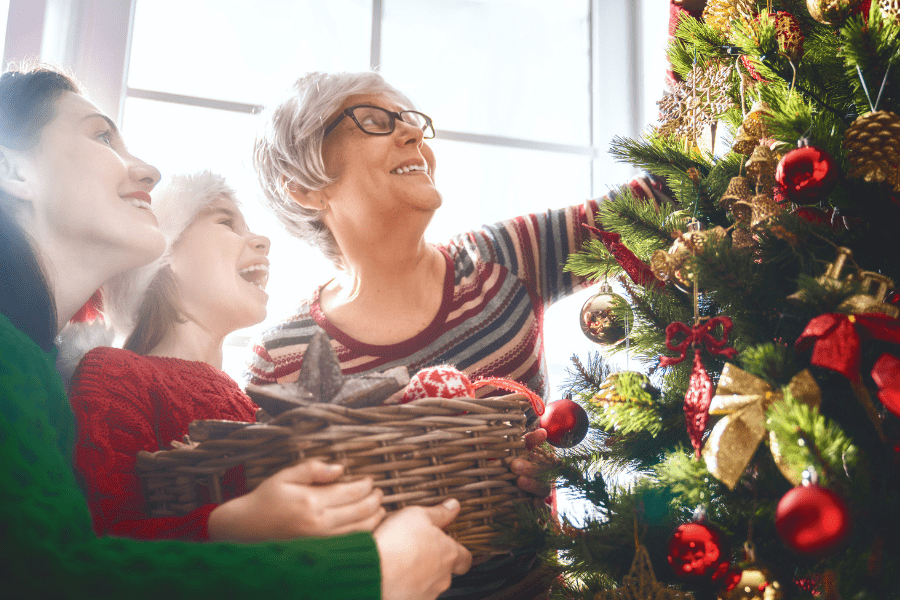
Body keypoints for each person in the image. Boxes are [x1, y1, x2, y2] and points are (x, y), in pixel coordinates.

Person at [0, 63, 469, 600]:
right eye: (101, 135)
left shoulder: (31, 370)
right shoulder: (66, 369)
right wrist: (368, 571)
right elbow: (53, 572)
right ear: (13, 169)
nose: (149, 171)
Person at [248, 70, 612, 599]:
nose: (413, 134)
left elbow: (655, 204)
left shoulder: (502, 261)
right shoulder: (281, 358)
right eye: (373, 120)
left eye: (411, 121)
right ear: (306, 188)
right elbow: (284, 552)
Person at [68, 170, 393, 544]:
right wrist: (235, 524)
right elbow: (104, 539)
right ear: (165, 252)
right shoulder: (114, 374)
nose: (262, 240)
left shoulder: (248, 404)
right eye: (226, 221)